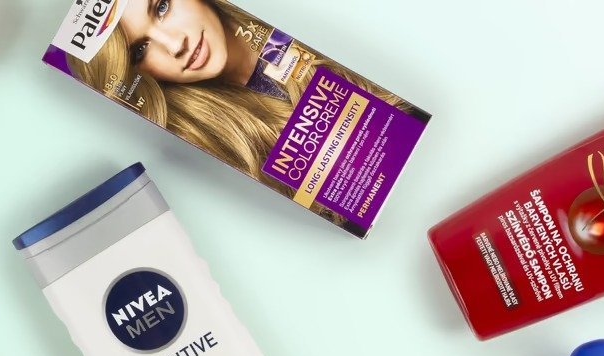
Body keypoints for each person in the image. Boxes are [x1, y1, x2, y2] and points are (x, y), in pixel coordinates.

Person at [68, 0, 428, 216]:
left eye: (162, 6)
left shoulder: (289, 38)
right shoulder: (227, 141)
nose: (175, 45)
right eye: (141, 50)